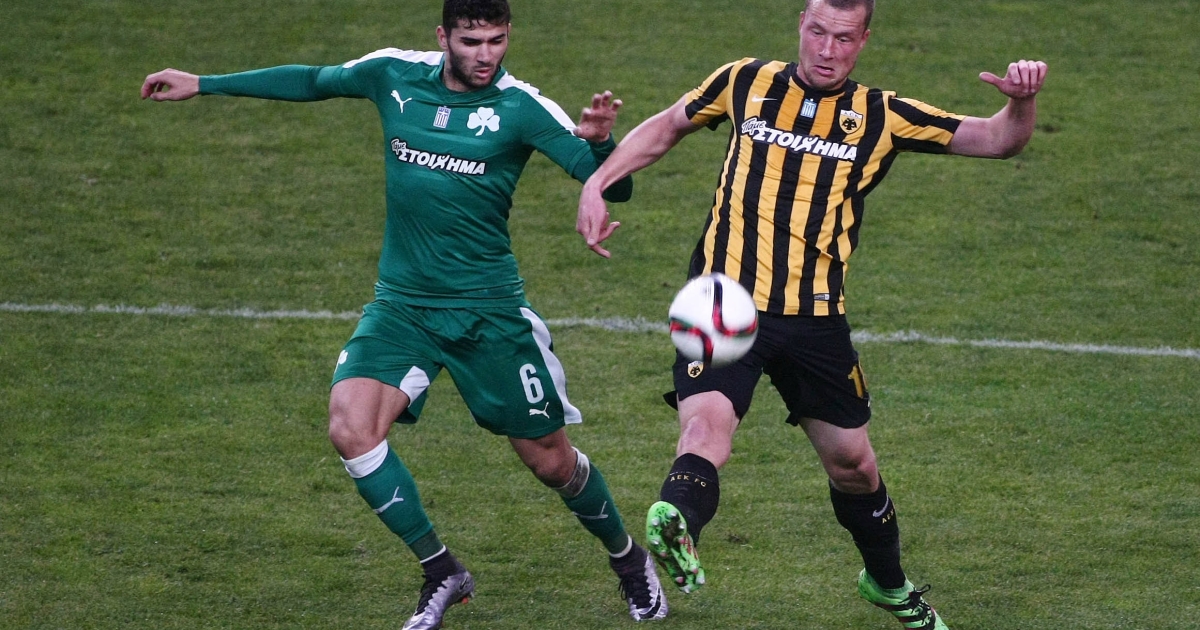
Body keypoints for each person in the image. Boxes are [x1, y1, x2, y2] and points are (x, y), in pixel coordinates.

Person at [141, 0, 668, 626]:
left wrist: (602, 143)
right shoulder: (391, 73)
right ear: (443, 36)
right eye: (471, 41)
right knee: (351, 429)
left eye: (497, 40)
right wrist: (204, 82)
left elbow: (614, 184)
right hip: (402, 307)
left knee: (550, 462)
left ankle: (628, 558)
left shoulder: (521, 106)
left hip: (488, 315)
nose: (486, 55)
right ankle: (441, 569)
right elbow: (312, 80)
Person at [576, 0, 1047, 628]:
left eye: (843, 38)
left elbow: (997, 139)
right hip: (723, 300)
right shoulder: (744, 80)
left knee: (854, 465)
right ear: (801, 23)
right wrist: (597, 181)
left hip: (815, 318)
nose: (827, 49)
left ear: (864, 40)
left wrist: (1021, 102)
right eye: (818, 32)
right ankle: (677, 522)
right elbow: (665, 127)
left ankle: (888, 585)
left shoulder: (881, 115)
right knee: (705, 433)